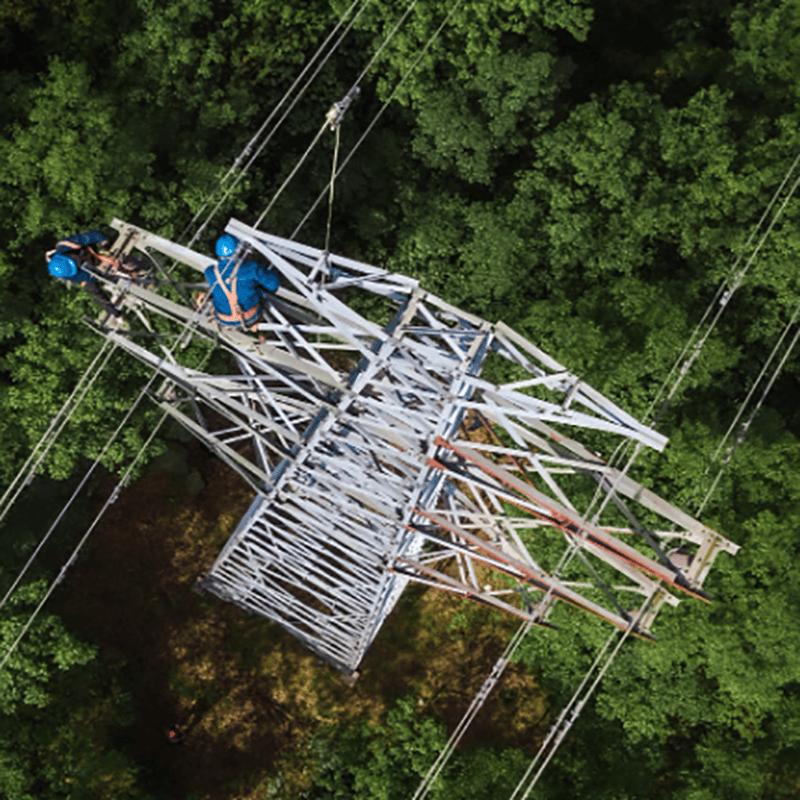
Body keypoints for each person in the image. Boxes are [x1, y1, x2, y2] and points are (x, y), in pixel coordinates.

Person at [203, 234, 280, 329]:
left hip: (224, 319)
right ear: (239, 251)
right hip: (249, 318)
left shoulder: (210, 272)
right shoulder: (251, 268)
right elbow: (274, 285)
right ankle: (259, 325)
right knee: (260, 292)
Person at [47, 230, 122, 319]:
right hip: (88, 270)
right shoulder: (68, 274)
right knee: (92, 288)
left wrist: (104, 246)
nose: (76, 263)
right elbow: (91, 279)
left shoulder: (67, 245)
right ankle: (114, 312)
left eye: (74, 262)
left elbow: (92, 236)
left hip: (92, 254)